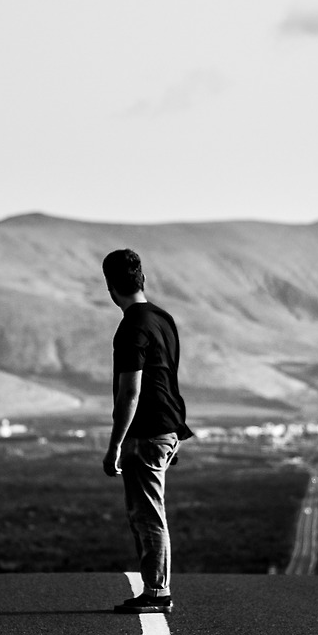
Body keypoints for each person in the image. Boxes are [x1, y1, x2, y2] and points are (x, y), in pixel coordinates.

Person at [101, 248, 193, 614]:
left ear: (110, 287)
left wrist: (115, 444)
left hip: (146, 433)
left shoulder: (132, 327)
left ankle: (157, 592)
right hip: (167, 426)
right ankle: (155, 590)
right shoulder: (162, 319)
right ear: (143, 279)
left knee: (147, 515)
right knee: (147, 512)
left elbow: (131, 391)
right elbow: (167, 378)